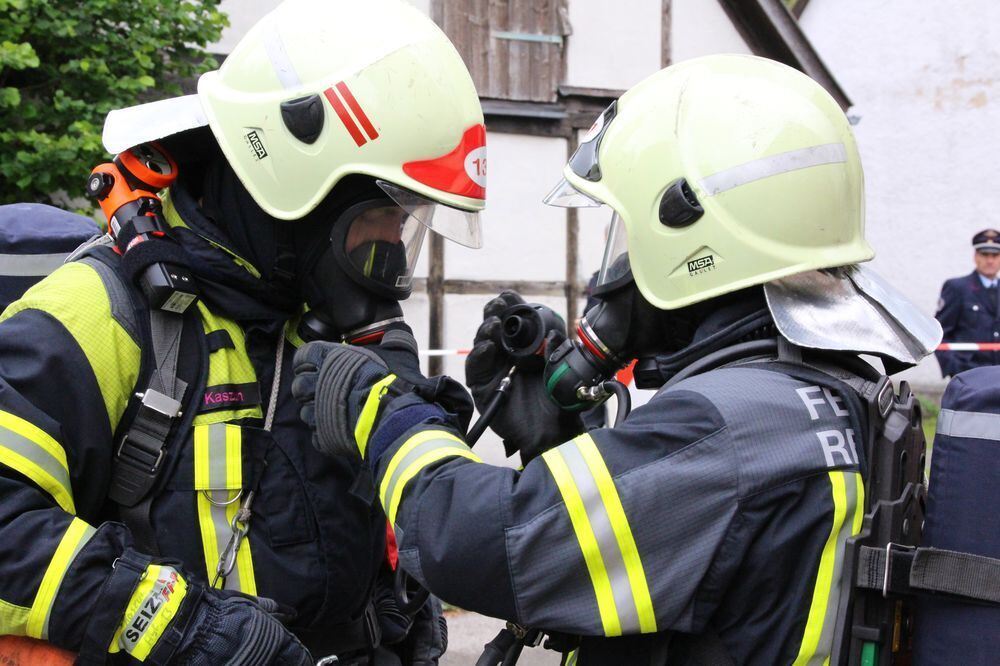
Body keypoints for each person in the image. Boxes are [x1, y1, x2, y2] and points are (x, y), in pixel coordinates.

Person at [291, 54, 941, 665]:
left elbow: (481, 542)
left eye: (626, 236)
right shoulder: (835, 396)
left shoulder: (727, 431)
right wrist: (559, 446)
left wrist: (385, 412)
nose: (616, 274)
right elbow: (667, 561)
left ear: (690, 230)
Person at [0, 0, 486, 663]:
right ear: (294, 186)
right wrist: (185, 629)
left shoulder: (317, 328)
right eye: (383, 215)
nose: (393, 249)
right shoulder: (101, 313)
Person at [934, 228, 1000, 377]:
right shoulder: (958, 288)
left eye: (995, 255)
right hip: (969, 375)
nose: (990, 260)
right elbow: (939, 333)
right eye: (984, 254)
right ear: (976, 256)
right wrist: (954, 368)